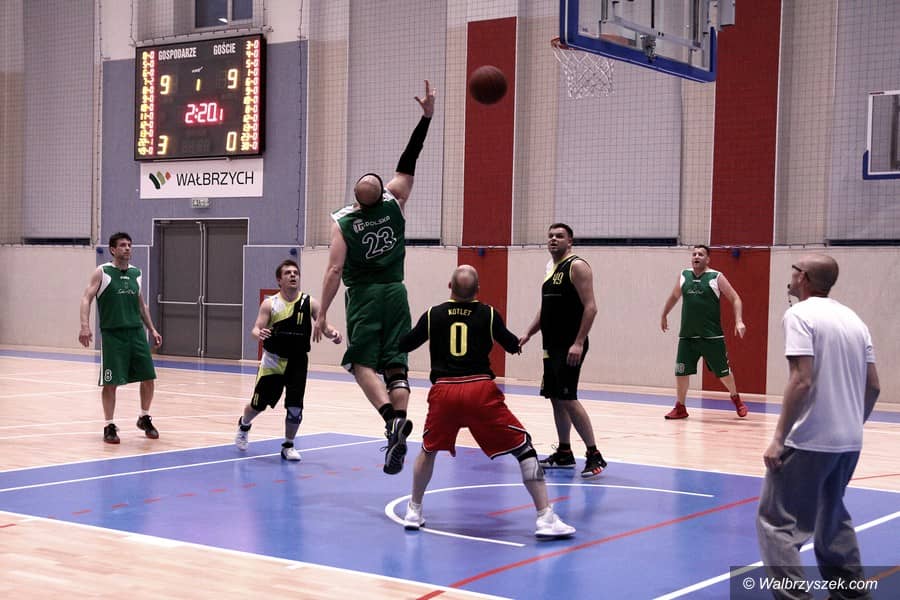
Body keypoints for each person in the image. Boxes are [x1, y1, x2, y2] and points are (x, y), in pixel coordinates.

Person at [313, 80, 436, 475]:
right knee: (396, 365)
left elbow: (334, 270)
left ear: (355, 197)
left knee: (360, 363)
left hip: (364, 296)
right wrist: (426, 118)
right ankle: (397, 426)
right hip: (396, 293)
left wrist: (322, 314)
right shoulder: (395, 202)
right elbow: (409, 159)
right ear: (383, 189)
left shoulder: (344, 222)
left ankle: (390, 420)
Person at [398, 265, 576, 540]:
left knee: (428, 449)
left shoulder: (433, 314)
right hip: (480, 391)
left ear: (449, 286)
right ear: (478, 290)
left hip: (444, 392)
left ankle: (414, 510)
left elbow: (405, 344)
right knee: (524, 449)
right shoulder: (489, 313)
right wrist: (523, 338)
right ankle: (544, 517)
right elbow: (511, 345)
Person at [757, 255, 879, 599]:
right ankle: (852, 595)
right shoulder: (854, 320)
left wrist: (778, 438)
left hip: (809, 440)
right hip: (849, 442)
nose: (791, 276)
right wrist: (852, 422)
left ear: (805, 278)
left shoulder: (800, 315)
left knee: (776, 524)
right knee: (831, 519)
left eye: (794, 271)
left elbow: (802, 379)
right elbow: (873, 385)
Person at [519, 223, 608, 479]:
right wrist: (529, 333)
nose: (553, 239)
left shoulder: (577, 266)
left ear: (570, 241)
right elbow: (546, 308)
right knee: (556, 398)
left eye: (559, 236)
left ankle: (594, 454)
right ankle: (564, 452)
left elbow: (591, 307)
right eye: (550, 236)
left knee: (568, 398)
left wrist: (578, 342)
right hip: (551, 344)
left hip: (570, 345)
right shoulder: (551, 268)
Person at [234, 260, 342, 460]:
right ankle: (244, 424)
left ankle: (288, 446)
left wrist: (333, 334)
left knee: (295, 408)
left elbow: (324, 325)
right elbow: (255, 328)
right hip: (273, 362)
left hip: (298, 362)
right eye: (288, 273)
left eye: (295, 273)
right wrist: (259, 333)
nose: (293, 275)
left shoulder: (310, 302)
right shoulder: (270, 304)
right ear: (279, 280)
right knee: (258, 405)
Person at [79, 232, 163, 444]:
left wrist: (152, 329)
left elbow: (141, 305)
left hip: (136, 333)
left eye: (129, 245)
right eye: (123, 245)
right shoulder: (103, 272)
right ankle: (109, 425)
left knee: (148, 377)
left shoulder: (136, 273)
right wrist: (85, 326)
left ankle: (144, 417)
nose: (127, 248)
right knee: (111, 382)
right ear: (113, 250)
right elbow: (86, 298)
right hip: (113, 335)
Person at [659, 244, 748, 419]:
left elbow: (735, 298)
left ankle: (736, 398)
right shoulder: (684, 275)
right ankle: (680, 407)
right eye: (694, 254)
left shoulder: (716, 277)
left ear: (708, 259)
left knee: (724, 373)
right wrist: (664, 314)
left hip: (711, 336)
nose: (696, 257)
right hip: (688, 336)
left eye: (700, 254)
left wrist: (739, 320)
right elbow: (674, 296)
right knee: (681, 372)